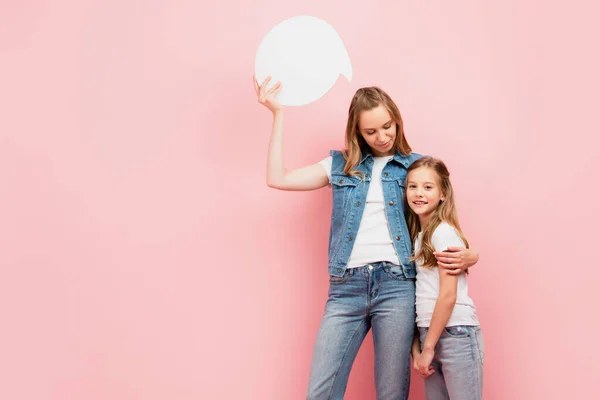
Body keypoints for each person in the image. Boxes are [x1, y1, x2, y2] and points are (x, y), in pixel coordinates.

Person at [253, 76, 479, 400]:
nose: (382, 136)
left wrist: (472, 254)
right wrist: (278, 114)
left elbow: (445, 218)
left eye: (388, 126)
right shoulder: (339, 165)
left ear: (397, 120)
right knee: (321, 392)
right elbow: (278, 178)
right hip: (346, 287)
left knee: (391, 393)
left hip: (397, 286)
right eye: (371, 131)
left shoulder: (415, 166)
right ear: (357, 131)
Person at [407, 157, 484, 400]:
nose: (419, 193)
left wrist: (428, 347)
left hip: (455, 333)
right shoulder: (419, 237)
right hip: (431, 331)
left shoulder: (443, 233)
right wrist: (419, 345)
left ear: (442, 194)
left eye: (428, 187)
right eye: (412, 186)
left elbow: (448, 295)